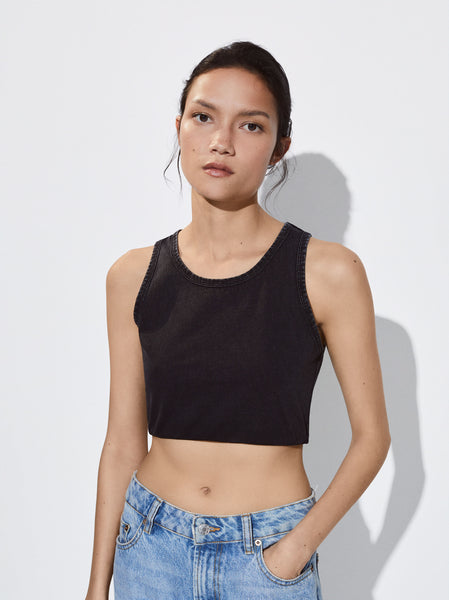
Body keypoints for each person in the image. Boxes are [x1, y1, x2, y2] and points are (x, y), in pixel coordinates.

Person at [85, 41, 391, 600]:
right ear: (179, 127)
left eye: (251, 125)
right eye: (203, 117)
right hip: (148, 550)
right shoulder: (131, 275)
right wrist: (96, 587)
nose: (221, 141)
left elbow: (372, 439)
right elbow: (123, 443)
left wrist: (293, 551)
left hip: (268, 558)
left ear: (279, 148)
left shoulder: (328, 272)